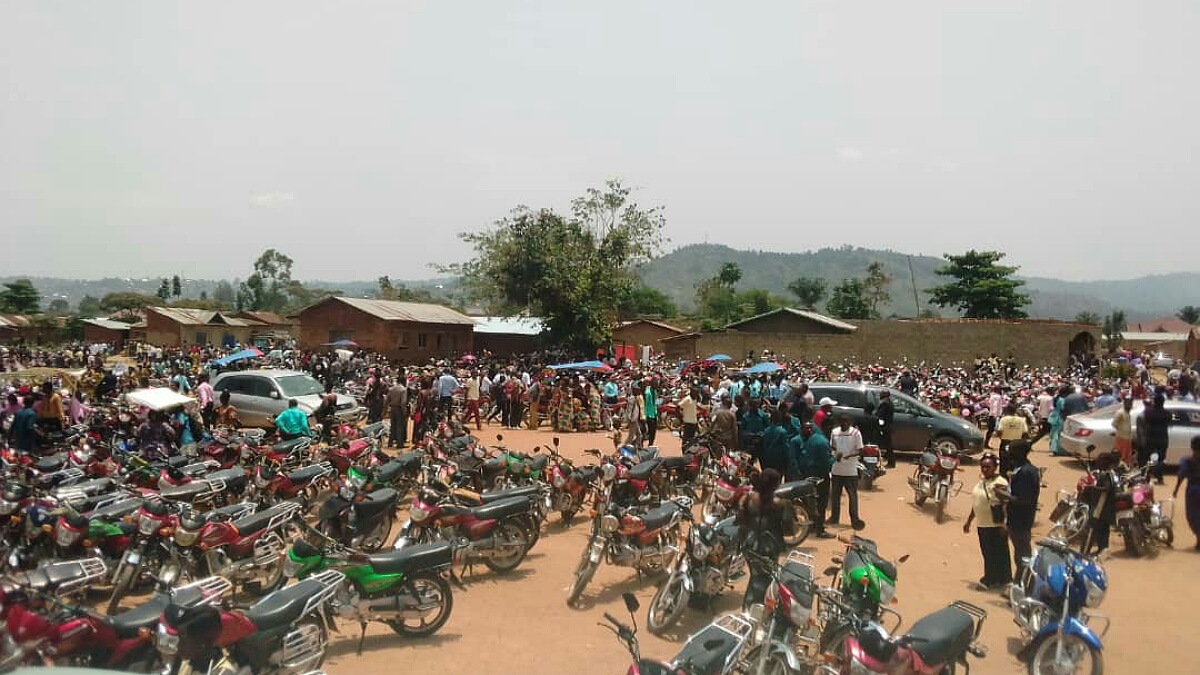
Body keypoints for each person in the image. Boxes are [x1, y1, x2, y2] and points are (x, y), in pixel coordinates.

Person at [736, 469, 795, 609]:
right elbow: (789, 530)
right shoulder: (782, 504)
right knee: (766, 579)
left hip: (749, 545)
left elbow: (740, 520)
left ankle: (750, 607)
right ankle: (758, 608)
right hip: (770, 547)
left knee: (755, 576)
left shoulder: (747, 498)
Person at [962, 453, 1012, 590]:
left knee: (997, 553)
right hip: (983, 524)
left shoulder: (1000, 482)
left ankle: (990, 580)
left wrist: (1005, 524)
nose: (984, 469)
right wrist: (968, 521)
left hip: (995, 525)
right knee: (988, 553)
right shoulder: (982, 481)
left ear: (995, 467)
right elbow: (976, 503)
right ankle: (998, 578)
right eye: (982, 466)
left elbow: (1006, 504)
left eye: (988, 467)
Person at [790, 421, 835, 538]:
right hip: (818, 476)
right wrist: (835, 459)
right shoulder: (821, 441)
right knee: (820, 502)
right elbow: (826, 463)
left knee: (811, 501)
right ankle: (819, 529)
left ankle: (813, 526)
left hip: (808, 475)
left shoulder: (810, 440)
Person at [1002, 441, 1040, 576]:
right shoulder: (1022, 469)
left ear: (1018, 453)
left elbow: (1023, 499)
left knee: (1023, 554)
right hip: (1018, 518)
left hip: (1021, 520)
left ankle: (1022, 583)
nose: (1008, 453)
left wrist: (1003, 494)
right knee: (1020, 553)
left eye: (1011, 450)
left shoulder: (1026, 473)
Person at [828, 415, 866, 530]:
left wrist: (850, 456)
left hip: (850, 470)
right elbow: (832, 447)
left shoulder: (856, 433)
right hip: (837, 469)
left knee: (852, 496)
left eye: (847, 421)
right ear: (839, 422)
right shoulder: (834, 432)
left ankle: (854, 519)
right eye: (842, 421)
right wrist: (836, 455)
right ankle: (834, 517)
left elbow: (860, 450)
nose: (845, 423)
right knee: (835, 495)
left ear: (850, 422)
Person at [1172, 436, 1200, 551]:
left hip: (1193, 490)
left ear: (1192, 447)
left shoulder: (1187, 461)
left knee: (1193, 516)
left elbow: (1181, 475)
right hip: (1194, 489)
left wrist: (1176, 490)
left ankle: (1199, 541)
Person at [1138, 393, 1170, 484]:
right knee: (1160, 459)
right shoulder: (1167, 413)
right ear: (1163, 402)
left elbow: (1145, 421)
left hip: (1150, 439)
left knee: (1147, 459)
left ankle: (1146, 478)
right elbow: (1170, 421)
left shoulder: (1148, 412)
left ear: (1154, 402)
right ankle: (1159, 478)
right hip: (1162, 439)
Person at [758, 408, 793, 476]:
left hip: (767, 458)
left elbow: (764, 445)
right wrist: (788, 459)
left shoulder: (766, 430)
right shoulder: (782, 432)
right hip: (779, 459)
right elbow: (786, 448)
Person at [996, 403, 1029, 475]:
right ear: (1015, 411)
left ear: (1007, 410)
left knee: (1003, 462)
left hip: (1005, 442)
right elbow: (1025, 433)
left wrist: (1002, 437)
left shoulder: (1003, 419)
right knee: (1016, 461)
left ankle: (1003, 477)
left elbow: (999, 432)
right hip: (1017, 444)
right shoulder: (1021, 420)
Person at [386, 375, 409, 448]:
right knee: (400, 427)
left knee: (392, 426)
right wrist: (404, 411)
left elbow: (387, 399)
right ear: (403, 381)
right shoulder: (403, 390)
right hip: (399, 409)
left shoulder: (391, 388)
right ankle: (400, 444)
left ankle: (390, 443)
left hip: (392, 408)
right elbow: (403, 402)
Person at [875, 390, 895, 468]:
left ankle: (891, 462)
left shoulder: (885, 404)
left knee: (887, 445)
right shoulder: (888, 402)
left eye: (882, 393)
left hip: (885, 427)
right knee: (887, 445)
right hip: (887, 426)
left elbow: (881, 416)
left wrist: (880, 427)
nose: (880, 394)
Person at [1112, 397, 1134, 466]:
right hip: (1122, 437)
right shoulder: (1120, 412)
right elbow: (1114, 424)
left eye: (1130, 404)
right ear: (1125, 404)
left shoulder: (1127, 412)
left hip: (1127, 437)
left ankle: (1125, 468)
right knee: (1121, 454)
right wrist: (1121, 430)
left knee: (1127, 454)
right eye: (1128, 404)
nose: (1130, 405)